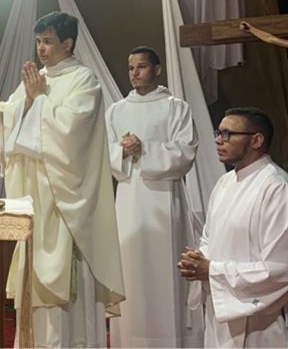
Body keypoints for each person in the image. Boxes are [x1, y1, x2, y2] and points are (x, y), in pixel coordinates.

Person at [0, 11, 124, 347]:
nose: (41, 49)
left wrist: (39, 100)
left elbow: (73, 134)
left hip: (65, 201)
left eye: (48, 41)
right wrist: (28, 101)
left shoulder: (84, 81)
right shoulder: (35, 80)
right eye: (38, 42)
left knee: (66, 301)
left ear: (68, 43)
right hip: (34, 199)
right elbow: (7, 121)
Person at [106, 46, 201, 347]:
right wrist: (122, 151)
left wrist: (144, 150)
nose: (134, 73)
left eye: (142, 67)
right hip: (129, 199)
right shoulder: (116, 110)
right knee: (130, 270)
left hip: (164, 198)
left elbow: (185, 151)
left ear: (157, 70)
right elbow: (103, 152)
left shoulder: (176, 107)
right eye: (131, 68)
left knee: (164, 271)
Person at [178, 107, 288, 347]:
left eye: (228, 134)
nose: (219, 140)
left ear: (256, 140)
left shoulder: (277, 187)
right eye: (218, 133)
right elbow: (210, 237)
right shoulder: (224, 183)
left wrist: (212, 270)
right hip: (221, 309)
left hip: (260, 321)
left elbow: (280, 268)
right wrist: (198, 259)